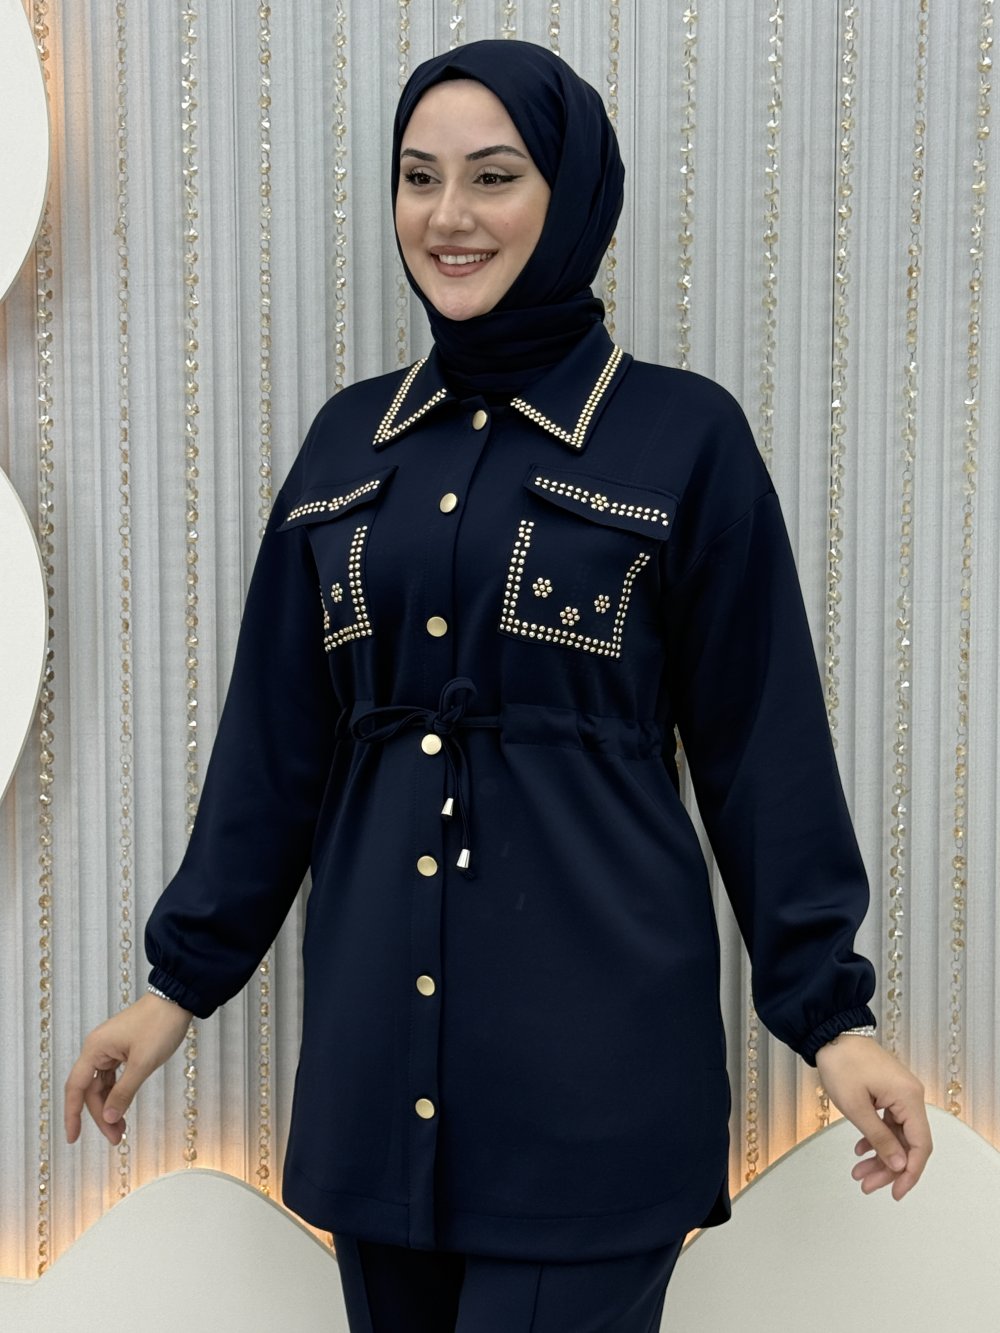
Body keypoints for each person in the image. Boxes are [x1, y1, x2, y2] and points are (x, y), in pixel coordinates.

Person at [66, 39, 931, 1332]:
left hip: (595, 1087)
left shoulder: (683, 437)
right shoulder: (347, 442)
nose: (448, 216)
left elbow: (766, 751)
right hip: (376, 1084)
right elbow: (272, 752)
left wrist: (833, 1019)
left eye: (493, 176)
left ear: (569, 194)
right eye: (419, 178)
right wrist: (174, 988)